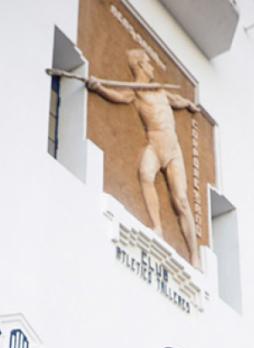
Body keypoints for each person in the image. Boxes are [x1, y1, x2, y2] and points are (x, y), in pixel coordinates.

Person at [86, 49, 200, 266]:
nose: (151, 67)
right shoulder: (135, 92)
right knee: (145, 173)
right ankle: (157, 227)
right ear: (139, 65)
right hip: (155, 143)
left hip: (173, 148)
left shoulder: (161, 91)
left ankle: (194, 255)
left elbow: (178, 100)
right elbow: (118, 96)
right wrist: (98, 87)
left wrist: (189, 105)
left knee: (182, 201)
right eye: (148, 63)